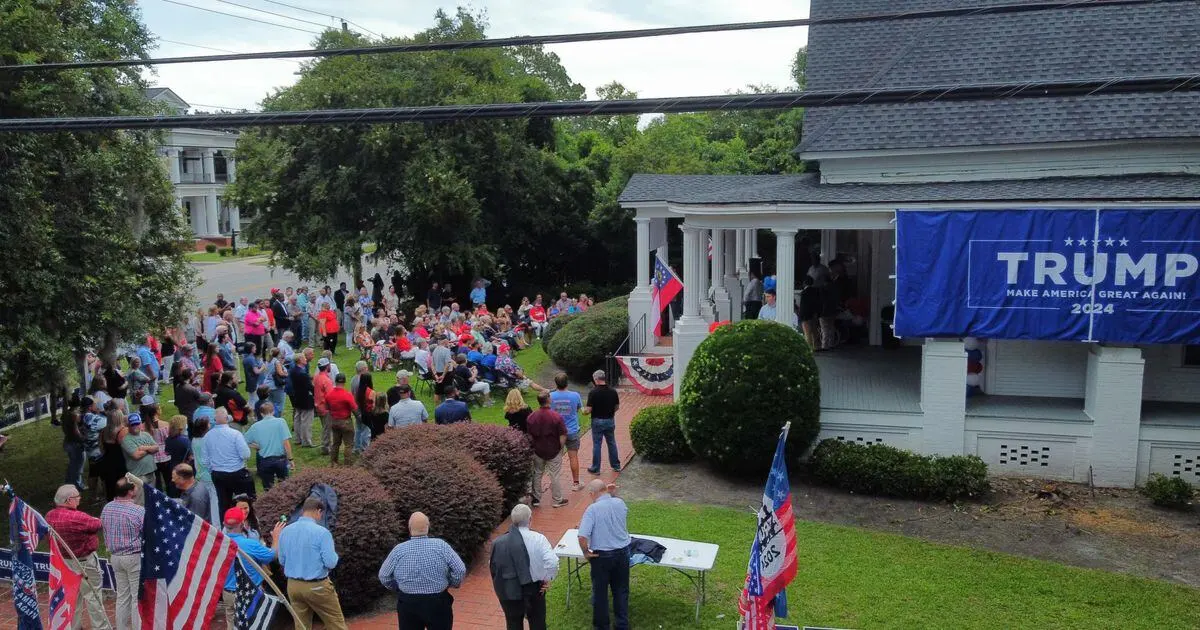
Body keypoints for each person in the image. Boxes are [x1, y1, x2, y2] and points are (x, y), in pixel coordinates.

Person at [378, 512, 466, 630]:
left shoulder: (399, 550)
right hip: (438, 602)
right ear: (428, 527)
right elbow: (460, 569)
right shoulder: (441, 546)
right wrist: (452, 582)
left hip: (408, 603)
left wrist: (397, 587)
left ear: (409, 528)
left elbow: (383, 576)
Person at [46, 484, 110, 630]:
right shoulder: (78, 517)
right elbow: (99, 524)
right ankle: (100, 627)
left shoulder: (50, 515)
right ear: (69, 500)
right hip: (85, 563)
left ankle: (73, 626)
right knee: (93, 596)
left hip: (65, 563)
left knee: (72, 596)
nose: (80, 499)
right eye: (77, 497)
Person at [278, 497, 347, 630]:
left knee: (301, 626)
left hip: (293, 586)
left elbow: (282, 560)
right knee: (336, 624)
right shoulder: (322, 532)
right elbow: (331, 562)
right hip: (317, 586)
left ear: (303, 511)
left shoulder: (286, 531)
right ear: (318, 511)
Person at [490, 504, 557, 630]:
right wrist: (548, 577)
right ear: (530, 520)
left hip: (509, 588)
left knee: (513, 623)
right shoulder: (539, 539)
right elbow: (552, 562)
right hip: (534, 587)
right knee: (538, 623)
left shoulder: (497, 543)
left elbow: (494, 568)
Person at [578, 479, 631, 630]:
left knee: (600, 593)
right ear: (605, 490)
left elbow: (582, 536)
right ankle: (622, 624)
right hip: (622, 553)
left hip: (602, 557)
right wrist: (613, 494)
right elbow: (620, 508)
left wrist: (586, 552)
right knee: (621, 590)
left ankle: (602, 626)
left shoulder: (592, 510)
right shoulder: (620, 503)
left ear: (592, 493)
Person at [217, 508, 282, 629]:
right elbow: (272, 555)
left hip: (228, 594)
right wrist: (276, 538)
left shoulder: (218, 544)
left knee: (231, 624)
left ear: (224, 524)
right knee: (253, 624)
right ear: (242, 524)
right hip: (248, 595)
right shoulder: (250, 545)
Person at [101, 478, 143, 630]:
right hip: (133, 557)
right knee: (136, 598)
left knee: (123, 596)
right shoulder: (138, 511)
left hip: (115, 557)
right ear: (130, 492)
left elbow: (104, 529)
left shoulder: (107, 507)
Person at [204, 407, 255, 516]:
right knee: (244, 502)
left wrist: (212, 470)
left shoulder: (208, 436)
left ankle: (225, 527)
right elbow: (246, 454)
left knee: (223, 504)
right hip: (236, 472)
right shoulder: (235, 434)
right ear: (227, 418)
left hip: (218, 474)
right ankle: (246, 523)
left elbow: (205, 459)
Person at [526, 392, 568, 508]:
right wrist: (560, 447)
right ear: (548, 400)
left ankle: (536, 499)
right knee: (555, 475)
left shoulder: (531, 417)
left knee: (537, 474)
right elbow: (563, 434)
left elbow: (529, 435)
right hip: (553, 450)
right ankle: (557, 500)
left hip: (537, 451)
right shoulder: (556, 416)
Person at [244, 401, 294, 489]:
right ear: (273, 411)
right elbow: (286, 443)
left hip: (265, 461)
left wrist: (255, 446)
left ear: (261, 414)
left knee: (268, 489)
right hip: (280, 460)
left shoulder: (255, 426)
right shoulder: (281, 422)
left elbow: (243, 440)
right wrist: (291, 459)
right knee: (285, 488)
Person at [549, 373, 584, 490]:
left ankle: (555, 483)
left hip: (557, 432)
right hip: (572, 430)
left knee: (556, 458)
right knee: (573, 457)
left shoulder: (550, 396)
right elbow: (578, 408)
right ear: (567, 382)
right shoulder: (575, 395)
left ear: (556, 384)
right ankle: (576, 483)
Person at [584, 369, 621, 474]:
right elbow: (617, 407)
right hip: (610, 420)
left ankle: (596, 468)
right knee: (611, 443)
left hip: (597, 421)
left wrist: (584, 412)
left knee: (597, 445)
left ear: (596, 379)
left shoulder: (593, 392)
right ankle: (616, 465)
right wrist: (610, 412)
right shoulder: (613, 391)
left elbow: (589, 410)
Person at [121, 412, 159, 490]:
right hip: (138, 476)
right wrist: (150, 449)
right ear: (128, 426)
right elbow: (136, 455)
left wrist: (144, 448)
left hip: (151, 473)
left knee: (151, 498)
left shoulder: (146, 435)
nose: (135, 426)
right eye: (132, 424)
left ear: (141, 423)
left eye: (137, 423)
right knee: (140, 500)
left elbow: (157, 448)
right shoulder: (126, 440)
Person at [325, 372, 358, 464]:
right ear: (344, 382)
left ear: (335, 381)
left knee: (335, 443)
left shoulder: (329, 395)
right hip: (346, 422)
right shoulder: (347, 395)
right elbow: (355, 409)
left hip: (334, 421)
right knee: (348, 444)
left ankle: (333, 462)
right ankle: (347, 464)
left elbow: (327, 408)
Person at [290, 351, 316, 447]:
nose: (306, 359)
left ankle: (297, 439)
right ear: (300, 360)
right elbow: (310, 387)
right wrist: (315, 393)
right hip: (306, 398)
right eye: (304, 358)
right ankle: (306, 441)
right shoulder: (302, 374)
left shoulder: (293, 370)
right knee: (306, 421)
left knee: (297, 418)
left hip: (297, 397)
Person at [313, 357, 335, 455]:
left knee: (325, 427)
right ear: (327, 366)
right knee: (327, 428)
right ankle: (326, 448)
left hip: (318, 406)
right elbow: (330, 396)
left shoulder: (317, 377)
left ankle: (326, 446)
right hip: (326, 408)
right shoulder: (326, 380)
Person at [63, 408, 86, 491]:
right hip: (75, 447)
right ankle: (77, 485)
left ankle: (68, 483)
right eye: (78, 416)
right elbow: (80, 437)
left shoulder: (69, 426)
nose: (80, 416)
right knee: (78, 466)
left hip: (69, 445)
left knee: (72, 465)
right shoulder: (74, 427)